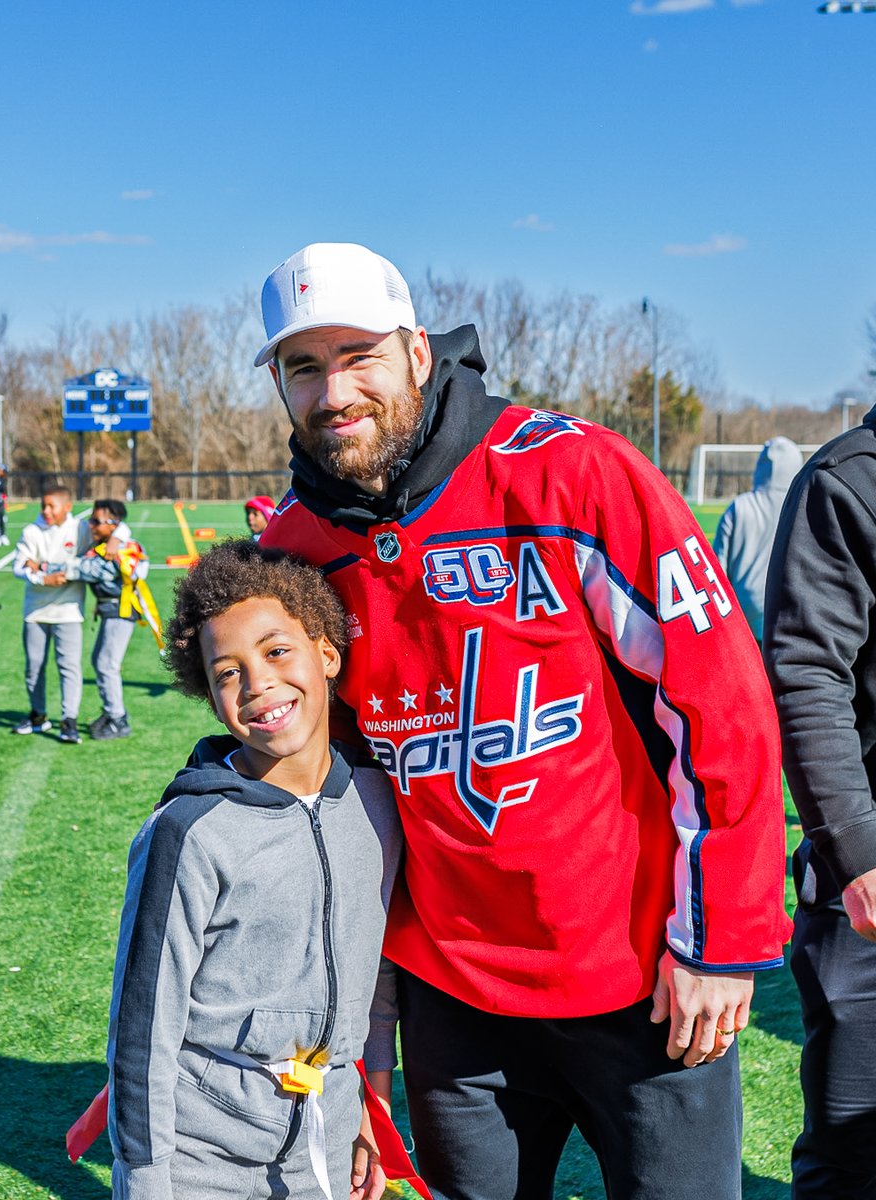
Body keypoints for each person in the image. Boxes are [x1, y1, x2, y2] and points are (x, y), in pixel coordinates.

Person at [256, 242, 791, 1200]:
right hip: (453, 998)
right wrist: (358, 1049)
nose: (333, 391)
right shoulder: (292, 547)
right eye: (304, 367)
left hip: (639, 977)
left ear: (419, 352)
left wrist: (716, 941)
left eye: (358, 356)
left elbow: (721, 696)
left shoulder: (573, 473)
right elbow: (322, 801)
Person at [106, 540, 399, 1200]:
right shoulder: (187, 833)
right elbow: (142, 1033)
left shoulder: (377, 804)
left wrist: (369, 1109)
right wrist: (145, 1184)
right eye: (228, 672)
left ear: (327, 652)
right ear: (211, 698)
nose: (257, 683)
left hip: (325, 1144)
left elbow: (373, 969)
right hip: (203, 1162)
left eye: (275, 651)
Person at [763, 410, 876, 1199]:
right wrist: (859, 854)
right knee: (853, 1150)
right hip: (869, 892)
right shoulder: (850, 481)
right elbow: (807, 674)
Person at [41, 499, 161, 741]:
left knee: (107, 664)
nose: (91, 525)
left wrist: (45, 566)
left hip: (121, 611)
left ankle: (118, 718)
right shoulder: (110, 543)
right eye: (91, 520)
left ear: (113, 524)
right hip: (112, 611)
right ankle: (110, 712)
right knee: (100, 661)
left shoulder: (119, 551)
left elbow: (89, 569)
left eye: (97, 521)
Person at [11, 485, 88, 744]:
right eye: (42, 505)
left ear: (67, 507)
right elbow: (19, 567)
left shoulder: (81, 529)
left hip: (68, 612)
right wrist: (44, 577)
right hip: (35, 611)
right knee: (34, 667)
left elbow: (119, 530)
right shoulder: (31, 531)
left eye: (51, 506)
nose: (45, 511)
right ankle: (38, 716)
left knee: (69, 668)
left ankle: (69, 721)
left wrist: (114, 539)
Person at [712, 436, 803, 644]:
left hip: (743, 614)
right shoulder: (803, 506)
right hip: (789, 609)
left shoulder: (740, 506)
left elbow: (717, 568)